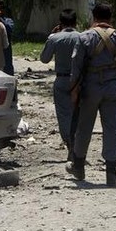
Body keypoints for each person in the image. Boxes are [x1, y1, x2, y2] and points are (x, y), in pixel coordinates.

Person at [67, 2, 116, 185]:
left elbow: (75, 68)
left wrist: (73, 91)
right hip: (113, 87)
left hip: (90, 88)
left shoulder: (84, 37)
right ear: (110, 17)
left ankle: (79, 167)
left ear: (94, 17)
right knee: (113, 129)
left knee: (84, 128)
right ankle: (111, 172)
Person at [40, 9, 81, 161]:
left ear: (60, 23)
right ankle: (78, 145)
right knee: (78, 114)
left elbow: (44, 59)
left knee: (64, 115)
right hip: (79, 81)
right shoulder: (82, 37)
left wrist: (51, 37)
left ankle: (70, 144)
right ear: (75, 22)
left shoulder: (54, 38)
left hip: (62, 79)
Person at [0, 0, 15, 75]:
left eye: (1, 8)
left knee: (8, 69)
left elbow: (10, 29)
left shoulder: (8, 20)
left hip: (6, 50)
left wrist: (0, 19)